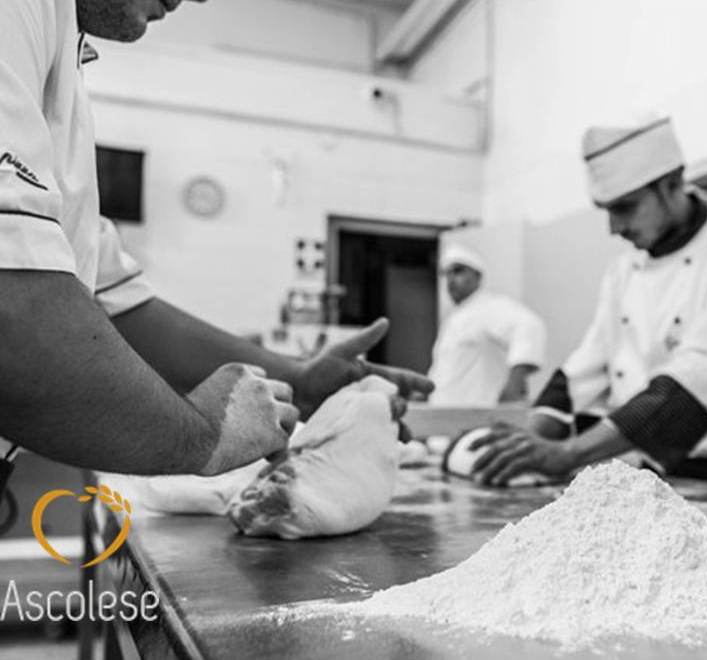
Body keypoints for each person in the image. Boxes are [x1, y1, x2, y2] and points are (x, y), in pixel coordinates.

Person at [0, 0, 432, 490]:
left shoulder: (59, 55)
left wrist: (300, 379)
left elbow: (113, 304)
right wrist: (199, 435)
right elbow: (12, 314)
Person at [470, 116, 707, 486]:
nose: (614, 228)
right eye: (607, 210)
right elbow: (584, 369)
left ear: (671, 185)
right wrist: (528, 442)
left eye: (625, 207)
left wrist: (567, 454)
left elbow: (697, 378)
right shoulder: (625, 269)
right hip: (646, 471)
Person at [428, 245, 547, 406]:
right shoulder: (453, 319)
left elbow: (530, 326)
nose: (450, 280)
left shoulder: (490, 307)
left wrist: (515, 383)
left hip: (478, 415)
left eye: (458, 271)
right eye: (446, 274)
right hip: (444, 415)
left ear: (477, 276)